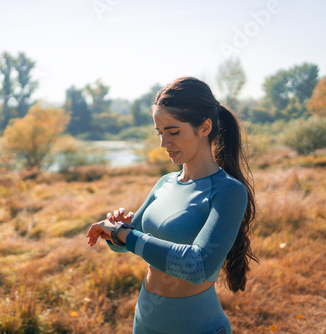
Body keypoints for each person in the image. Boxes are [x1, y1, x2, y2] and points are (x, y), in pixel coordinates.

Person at [86, 77, 257, 334]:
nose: (164, 144)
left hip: (197, 325)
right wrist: (115, 231)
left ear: (205, 127)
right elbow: (129, 242)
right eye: (160, 133)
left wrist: (126, 235)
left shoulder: (229, 191)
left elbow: (198, 266)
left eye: (173, 132)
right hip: (145, 320)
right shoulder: (165, 182)